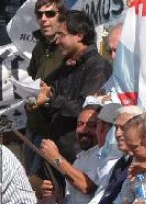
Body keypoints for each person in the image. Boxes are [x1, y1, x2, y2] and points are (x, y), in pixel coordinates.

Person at [29, 10, 112, 163]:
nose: (57, 41)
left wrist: (49, 99)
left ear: (79, 35)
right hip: (56, 154)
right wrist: (41, 95)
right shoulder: (66, 67)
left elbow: (86, 108)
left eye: (61, 35)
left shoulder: (98, 66)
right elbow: (52, 98)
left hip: (80, 157)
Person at [24, 0, 66, 175]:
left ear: (61, 17)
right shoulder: (39, 47)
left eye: (50, 14)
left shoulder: (67, 46)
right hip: (33, 126)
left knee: (47, 185)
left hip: (56, 131)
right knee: (30, 183)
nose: (44, 19)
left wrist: (49, 96)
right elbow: (33, 78)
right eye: (39, 14)